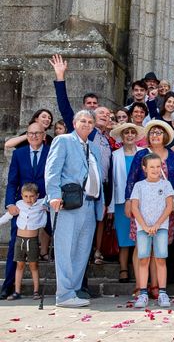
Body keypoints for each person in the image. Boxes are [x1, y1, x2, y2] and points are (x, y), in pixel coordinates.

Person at [46, 110, 104, 308]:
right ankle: (63, 294)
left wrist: (100, 202)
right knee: (65, 249)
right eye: (83, 121)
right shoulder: (63, 141)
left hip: (89, 203)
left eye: (90, 122)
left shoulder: (94, 147)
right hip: (67, 203)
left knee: (82, 250)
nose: (87, 124)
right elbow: (52, 170)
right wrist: (53, 195)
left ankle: (73, 291)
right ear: (74, 122)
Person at [1, 122, 51, 300]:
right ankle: (8, 286)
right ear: (27, 135)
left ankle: (71, 286)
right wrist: (10, 204)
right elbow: (12, 181)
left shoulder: (51, 151)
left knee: (60, 241)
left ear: (44, 135)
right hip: (23, 207)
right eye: (30, 133)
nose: (34, 136)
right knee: (16, 246)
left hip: (46, 205)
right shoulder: (19, 154)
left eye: (38, 133)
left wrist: (51, 201)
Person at [130, 153, 174, 309]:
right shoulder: (139, 186)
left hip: (160, 227)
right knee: (143, 259)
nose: (156, 170)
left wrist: (156, 224)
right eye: (152, 167)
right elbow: (135, 207)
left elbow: (169, 206)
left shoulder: (166, 185)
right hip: (143, 228)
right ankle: (143, 292)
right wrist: (145, 225)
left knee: (160, 258)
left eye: (158, 166)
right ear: (145, 169)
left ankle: (162, 292)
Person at [108, 123, 144, 283]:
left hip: (141, 201)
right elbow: (112, 181)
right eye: (126, 133)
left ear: (136, 136)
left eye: (132, 133)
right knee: (123, 237)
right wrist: (110, 207)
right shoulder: (115, 155)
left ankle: (139, 273)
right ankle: (123, 268)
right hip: (121, 201)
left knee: (139, 237)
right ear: (122, 137)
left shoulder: (144, 153)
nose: (129, 135)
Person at [3, 184, 47, 300]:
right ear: (22, 196)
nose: (29, 199)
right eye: (26, 196)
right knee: (19, 265)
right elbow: (8, 216)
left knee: (33, 266)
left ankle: (36, 291)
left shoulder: (41, 204)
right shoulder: (19, 205)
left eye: (32, 196)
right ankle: (17, 292)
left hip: (32, 241)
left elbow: (50, 200)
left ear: (37, 195)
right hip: (20, 240)